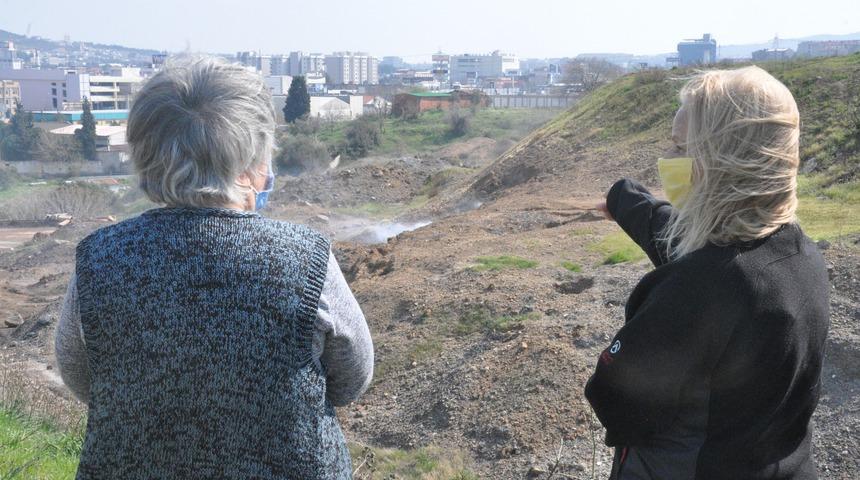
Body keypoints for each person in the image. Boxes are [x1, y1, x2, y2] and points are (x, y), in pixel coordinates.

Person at [54, 56, 373, 480]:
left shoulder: (98, 259)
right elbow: (352, 379)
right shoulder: (306, 258)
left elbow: (82, 377)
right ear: (252, 162)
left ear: (145, 155)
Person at [585, 66, 830, 479]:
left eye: (681, 148)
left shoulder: (698, 289)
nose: (669, 160)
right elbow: (679, 238)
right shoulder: (802, 256)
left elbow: (614, 400)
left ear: (723, 163)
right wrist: (623, 200)